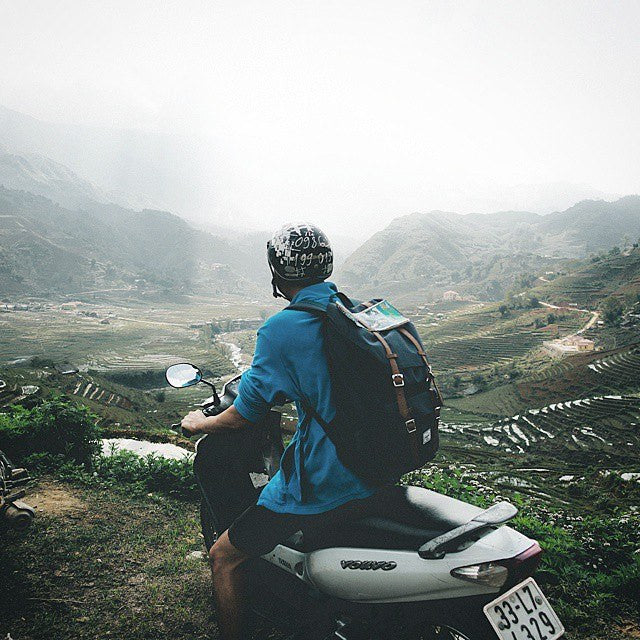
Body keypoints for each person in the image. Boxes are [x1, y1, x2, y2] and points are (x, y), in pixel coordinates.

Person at [180, 223, 377, 640]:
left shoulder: (282, 329)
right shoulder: (356, 313)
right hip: (374, 467)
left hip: (322, 481)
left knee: (223, 556)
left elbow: (242, 416)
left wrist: (199, 422)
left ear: (277, 274)